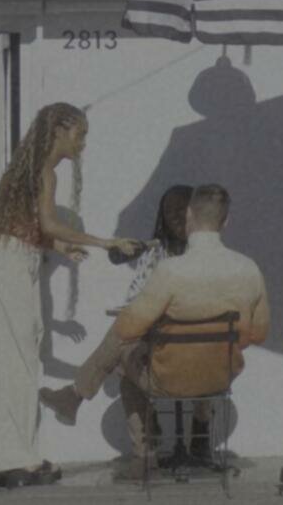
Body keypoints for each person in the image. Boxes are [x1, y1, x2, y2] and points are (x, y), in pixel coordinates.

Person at [41, 184, 268, 468]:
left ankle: (139, 449)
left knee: (121, 349)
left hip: (168, 377)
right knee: (189, 354)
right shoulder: (248, 269)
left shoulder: (170, 271)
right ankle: (196, 442)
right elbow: (258, 333)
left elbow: (127, 330)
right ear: (226, 221)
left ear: (189, 216)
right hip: (219, 378)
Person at [0, 101, 142, 488]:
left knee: (19, 362)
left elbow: (29, 227)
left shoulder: (28, 170)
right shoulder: (45, 172)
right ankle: (11, 462)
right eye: (79, 134)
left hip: (13, 263)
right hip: (10, 268)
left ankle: (23, 457)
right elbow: (48, 222)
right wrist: (104, 241)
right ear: (60, 129)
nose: (82, 143)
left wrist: (58, 246)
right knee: (12, 364)